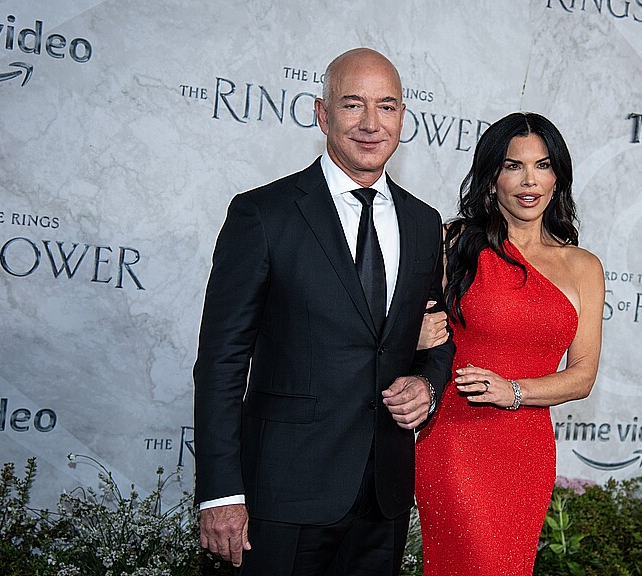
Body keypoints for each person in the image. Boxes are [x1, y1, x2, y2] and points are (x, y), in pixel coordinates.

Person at [193, 47, 455, 576]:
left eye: (386, 106)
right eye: (353, 104)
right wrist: (220, 493)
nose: (371, 123)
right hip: (283, 494)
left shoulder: (424, 223)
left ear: (402, 117)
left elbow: (436, 333)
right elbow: (222, 361)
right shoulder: (263, 214)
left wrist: (427, 384)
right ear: (322, 114)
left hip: (383, 497)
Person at [414, 112, 605, 575]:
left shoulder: (583, 267)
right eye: (512, 165)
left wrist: (513, 391)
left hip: (527, 453)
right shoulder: (455, 244)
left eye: (542, 165)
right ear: (491, 178)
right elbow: (403, 331)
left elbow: (582, 376)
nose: (529, 180)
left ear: (558, 177)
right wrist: (414, 337)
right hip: (456, 438)